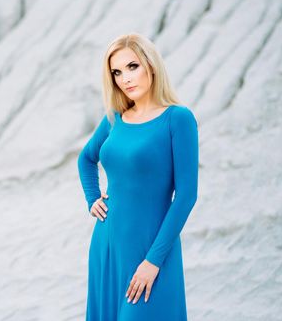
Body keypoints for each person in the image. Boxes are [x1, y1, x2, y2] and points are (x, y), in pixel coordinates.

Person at [77, 33, 199, 320]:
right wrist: (92, 198)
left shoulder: (178, 119)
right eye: (117, 72)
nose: (125, 79)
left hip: (151, 249)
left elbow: (186, 196)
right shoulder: (114, 118)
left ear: (151, 66)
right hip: (107, 245)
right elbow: (86, 159)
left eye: (132, 67)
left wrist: (153, 261)